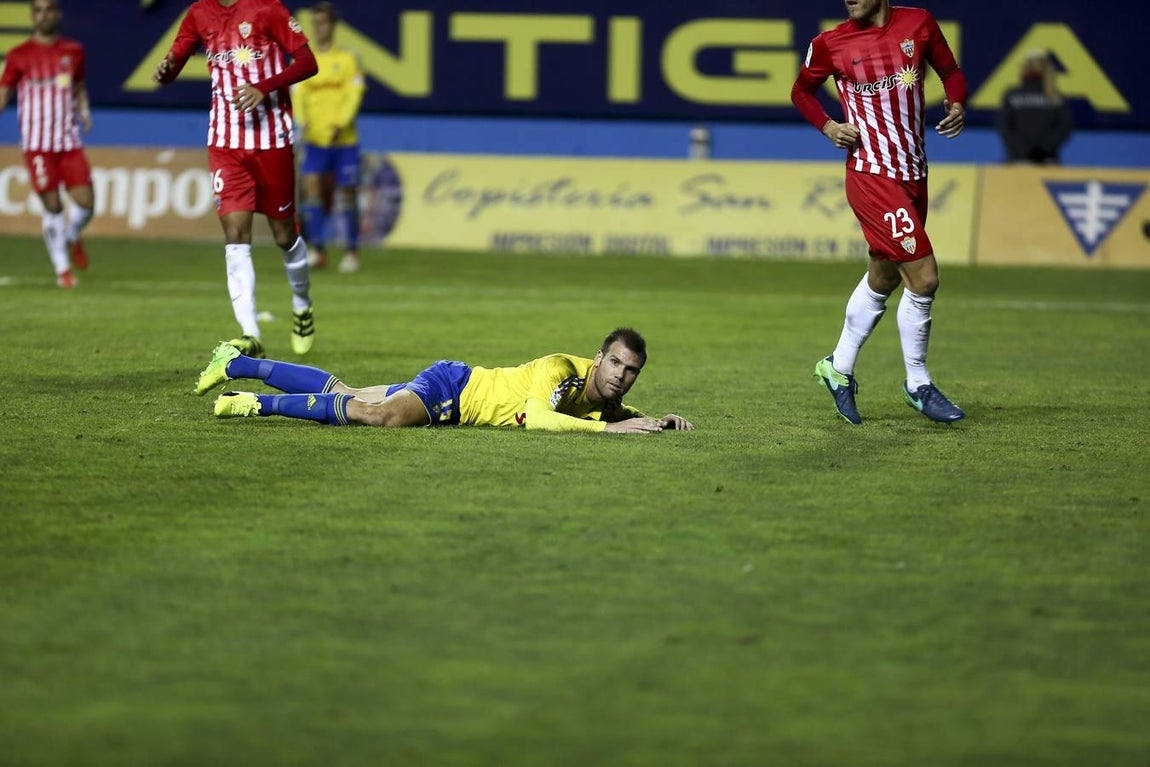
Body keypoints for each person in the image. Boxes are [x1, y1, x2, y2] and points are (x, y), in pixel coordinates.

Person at [791, 0, 968, 424]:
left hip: (914, 174)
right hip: (872, 175)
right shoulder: (830, 43)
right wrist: (829, 126)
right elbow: (801, 92)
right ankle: (918, 383)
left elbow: (950, 72)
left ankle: (838, 368)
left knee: (885, 275)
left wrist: (957, 102)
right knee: (924, 277)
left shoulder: (919, 24)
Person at [152, 0, 319, 357]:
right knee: (235, 234)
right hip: (225, 144)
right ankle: (250, 333)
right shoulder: (199, 13)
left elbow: (308, 63)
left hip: (272, 141)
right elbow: (172, 66)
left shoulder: (268, 9)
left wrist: (264, 87)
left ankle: (302, 303)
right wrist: (165, 71)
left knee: (284, 234)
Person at [194, 326, 695, 433]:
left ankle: (235, 363)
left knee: (342, 394)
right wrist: (611, 430)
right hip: (453, 391)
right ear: (598, 358)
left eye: (631, 371)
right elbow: (540, 416)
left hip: (453, 389)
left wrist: (653, 419)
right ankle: (252, 402)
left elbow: (612, 411)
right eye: (616, 364)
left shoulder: (604, 399)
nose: (621, 376)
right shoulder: (560, 370)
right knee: (380, 418)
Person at [0, 0, 94, 288]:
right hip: (37, 145)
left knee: (86, 204)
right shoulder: (19, 55)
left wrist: (84, 110)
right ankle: (62, 269)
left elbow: (78, 86)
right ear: (33, 16)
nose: (44, 15)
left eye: (49, 9)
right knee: (53, 207)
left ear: (58, 14)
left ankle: (71, 235)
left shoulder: (73, 51)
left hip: (68, 141)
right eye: (39, 10)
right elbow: (4, 93)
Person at [293, 1, 365, 274]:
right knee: (311, 188)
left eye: (323, 22)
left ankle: (351, 251)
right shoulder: (304, 59)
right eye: (315, 23)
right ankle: (318, 250)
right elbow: (298, 93)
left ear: (333, 26)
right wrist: (302, 121)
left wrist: (340, 123)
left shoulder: (348, 59)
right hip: (315, 139)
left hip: (344, 139)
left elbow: (354, 94)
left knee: (347, 192)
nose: (319, 28)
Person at [996, 50, 1073, 165]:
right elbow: (1063, 129)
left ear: (1023, 69)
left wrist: (1024, 152)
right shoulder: (1056, 97)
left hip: (1017, 162)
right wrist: (1042, 151)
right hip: (1048, 162)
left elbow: (1005, 128)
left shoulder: (1011, 96)